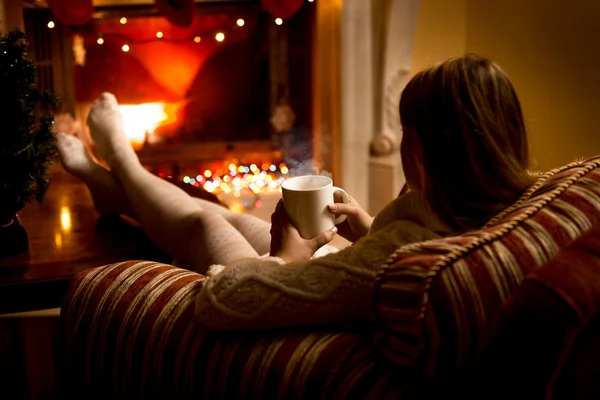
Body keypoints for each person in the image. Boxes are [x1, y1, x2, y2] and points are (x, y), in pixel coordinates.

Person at [57, 54, 535, 330]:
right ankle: (116, 193)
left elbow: (223, 298)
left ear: (423, 153)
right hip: (357, 273)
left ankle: (121, 162)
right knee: (241, 220)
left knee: (207, 221)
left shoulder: (394, 256)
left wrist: (286, 256)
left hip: (322, 301)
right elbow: (403, 248)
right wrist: (370, 227)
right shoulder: (508, 200)